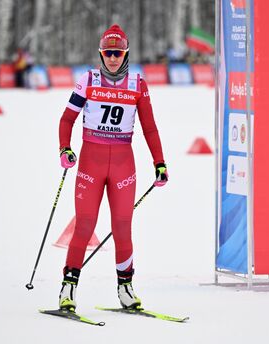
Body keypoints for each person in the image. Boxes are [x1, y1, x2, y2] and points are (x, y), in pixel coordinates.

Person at [57, 24, 168, 312]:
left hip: (122, 166)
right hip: (91, 165)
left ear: (126, 53)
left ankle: (126, 289)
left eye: (118, 53)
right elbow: (66, 119)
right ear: (101, 54)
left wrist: (159, 163)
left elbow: (150, 128)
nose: (113, 58)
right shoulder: (88, 80)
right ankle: (68, 289)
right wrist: (65, 149)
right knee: (84, 226)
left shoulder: (137, 84)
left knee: (122, 227)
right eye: (108, 53)